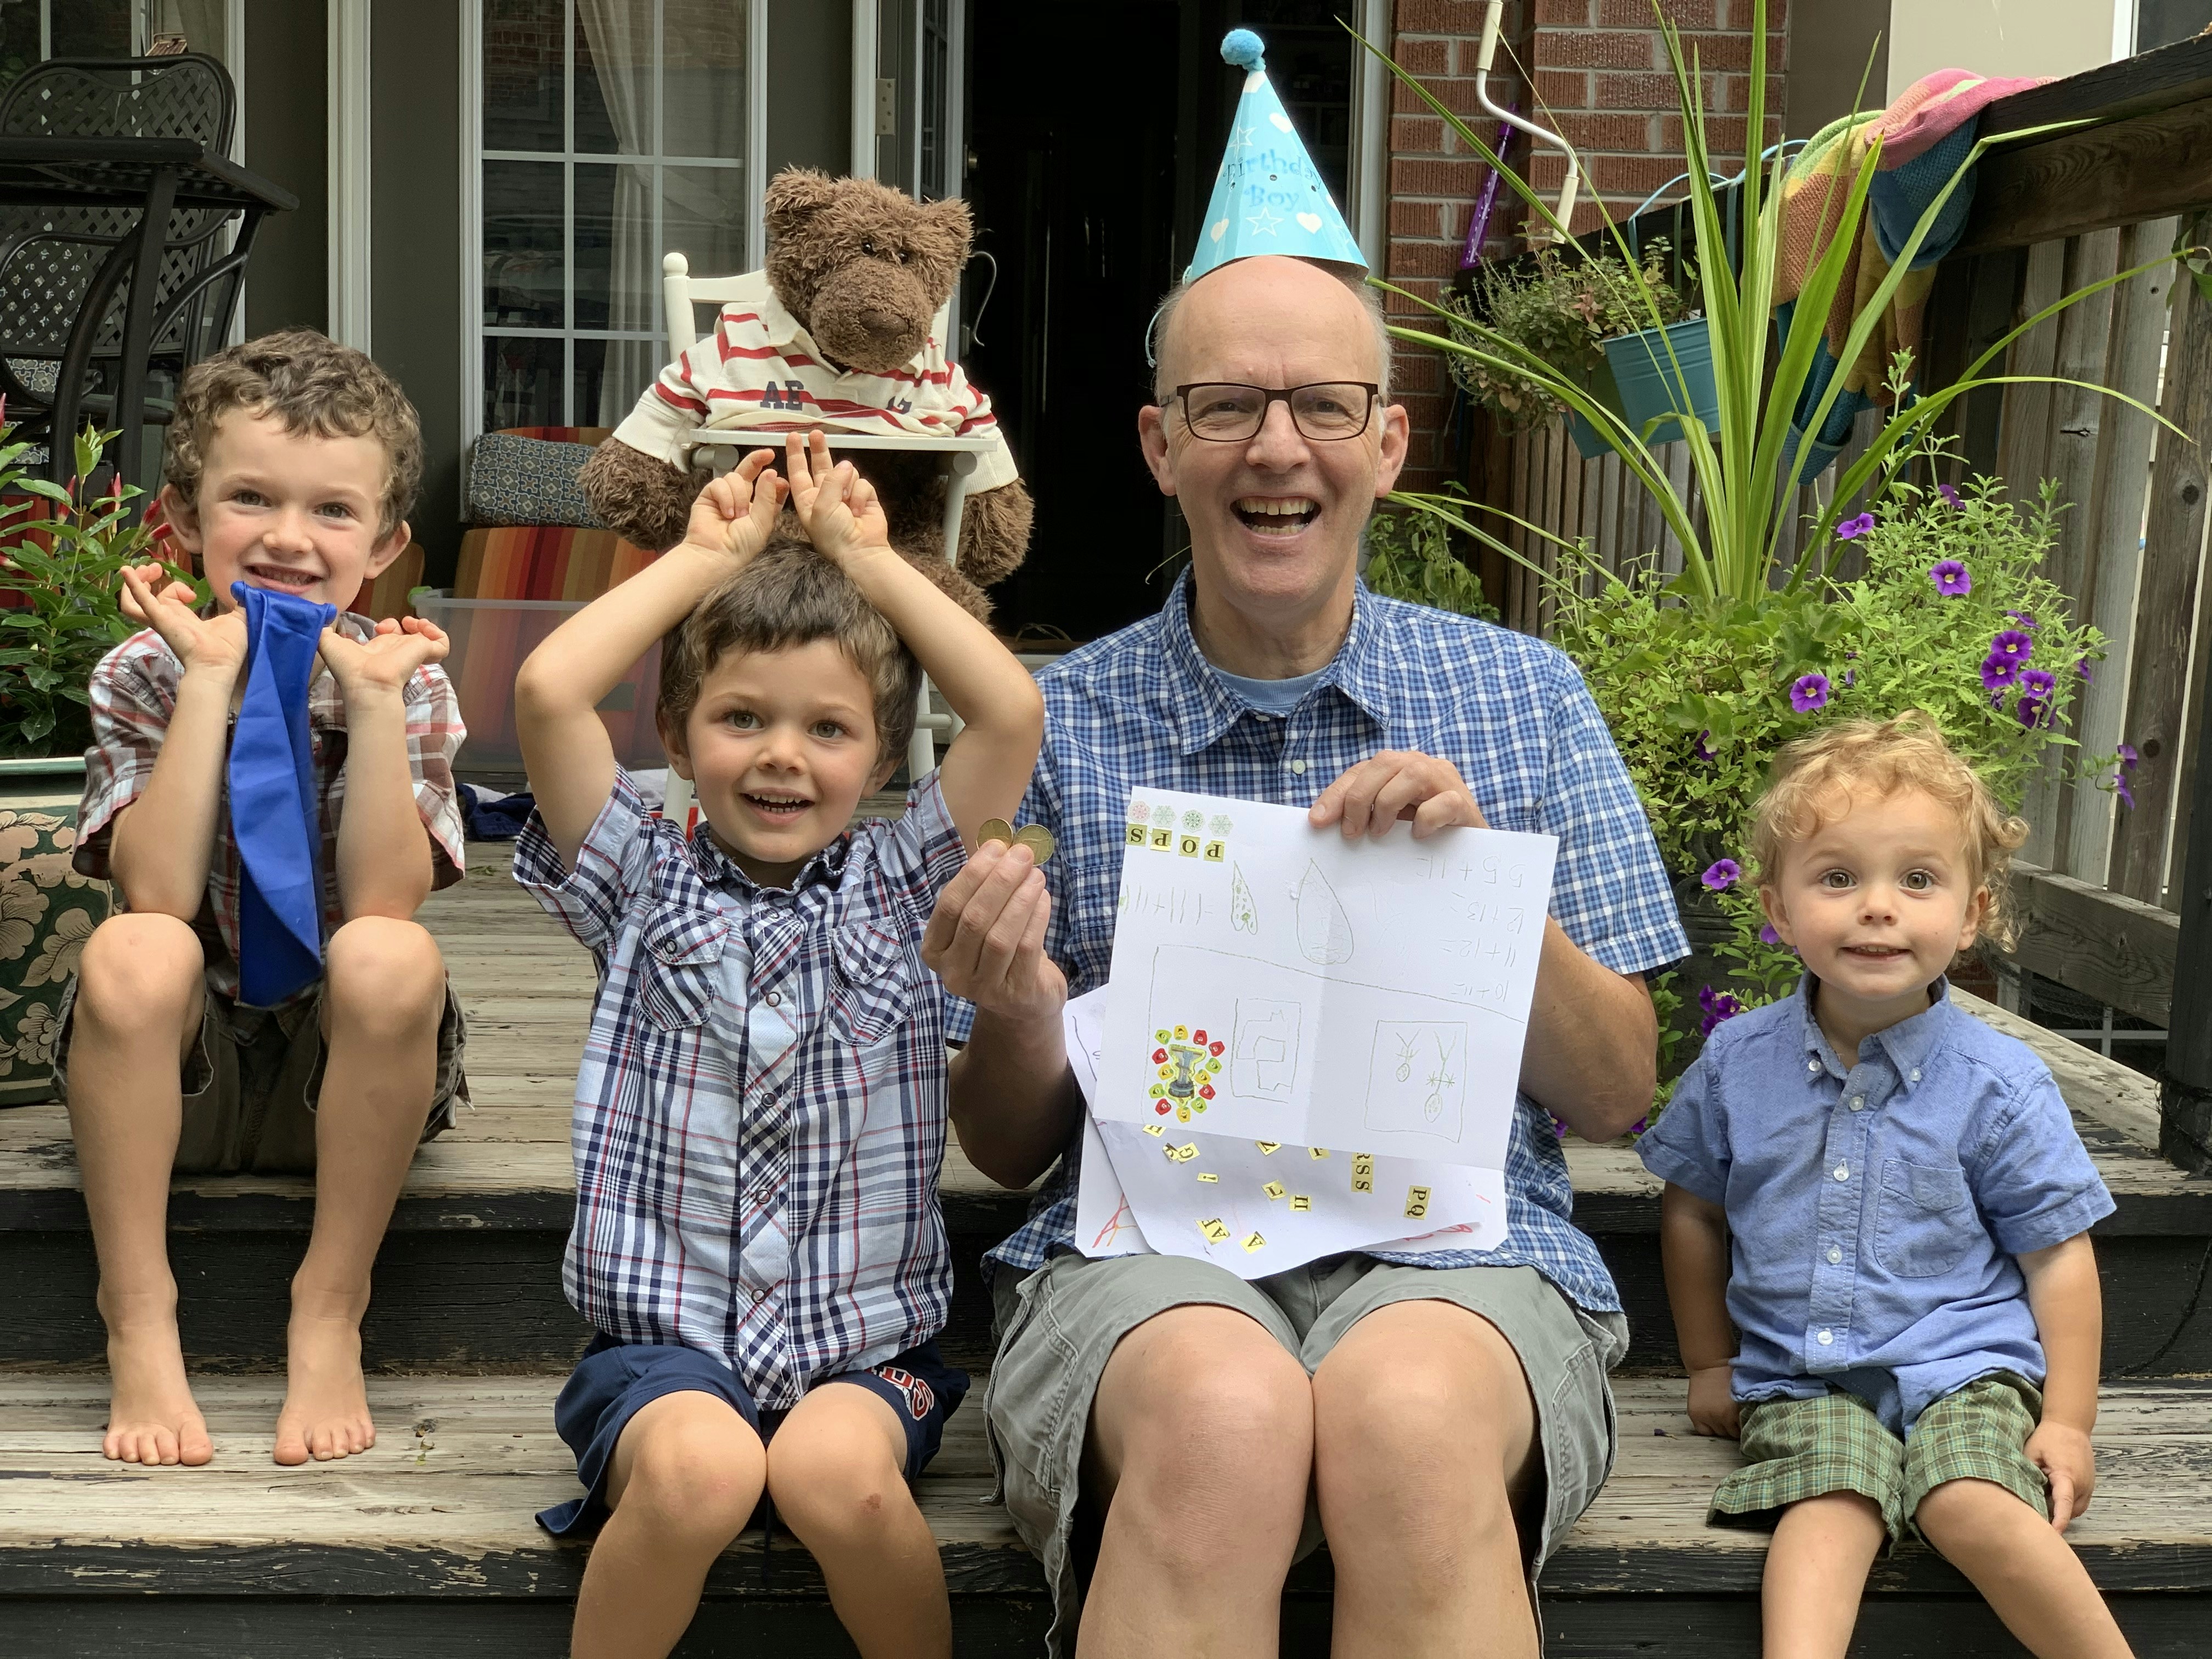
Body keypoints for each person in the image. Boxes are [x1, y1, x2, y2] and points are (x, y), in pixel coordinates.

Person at [923, 252, 1687, 1658]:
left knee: (1407, 1423)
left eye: (1326, 406)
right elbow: (1004, 1145)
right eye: (1224, 406)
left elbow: (1620, 1091)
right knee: (1225, 1417)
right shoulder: (1045, 723)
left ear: (1387, 445)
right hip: (1143, 1245)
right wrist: (1021, 1006)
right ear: (1162, 446)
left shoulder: (1525, 695)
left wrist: (1484, 900)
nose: (1278, 448)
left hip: (1461, 1251)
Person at [512, 431, 1043, 1659]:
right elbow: (547, 693)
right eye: (741, 717)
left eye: (830, 730)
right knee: (700, 1474)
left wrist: (870, 557)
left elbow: (1010, 708)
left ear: (884, 749)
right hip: (661, 1357)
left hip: (863, 1357)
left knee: (838, 1482)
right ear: (680, 733)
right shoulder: (637, 879)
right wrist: (705, 558)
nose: (783, 756)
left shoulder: (909, 883)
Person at [1638, 714, 2130, 1659]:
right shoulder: (1738, 1063)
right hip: (1798, 1376)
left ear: (1972, 912)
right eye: (1837, 877)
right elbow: (1694, 1206)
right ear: (1778, 911)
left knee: (1970, 1501)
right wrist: (1708, 1361)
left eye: (1917, 878)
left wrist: (2067, 1420)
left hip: (1964, 1366)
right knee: (1826, 1506)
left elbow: (2058, 1256)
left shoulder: (2000, 1083)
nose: (1878, 907)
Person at [61, 330, 469, 1469]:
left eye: (334, 513)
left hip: (338, 1081)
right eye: (251, 499)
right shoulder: (142, 671)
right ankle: (137, 1318)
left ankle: (329, 1308)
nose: (291, 539)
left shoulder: (406, 677)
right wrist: (204, 682)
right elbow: (156, 887)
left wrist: (376, 710)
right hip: (174, 1078)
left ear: (385, 543)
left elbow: (393, 900)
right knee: (137, 948)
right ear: (185, 519)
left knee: (390, 955)